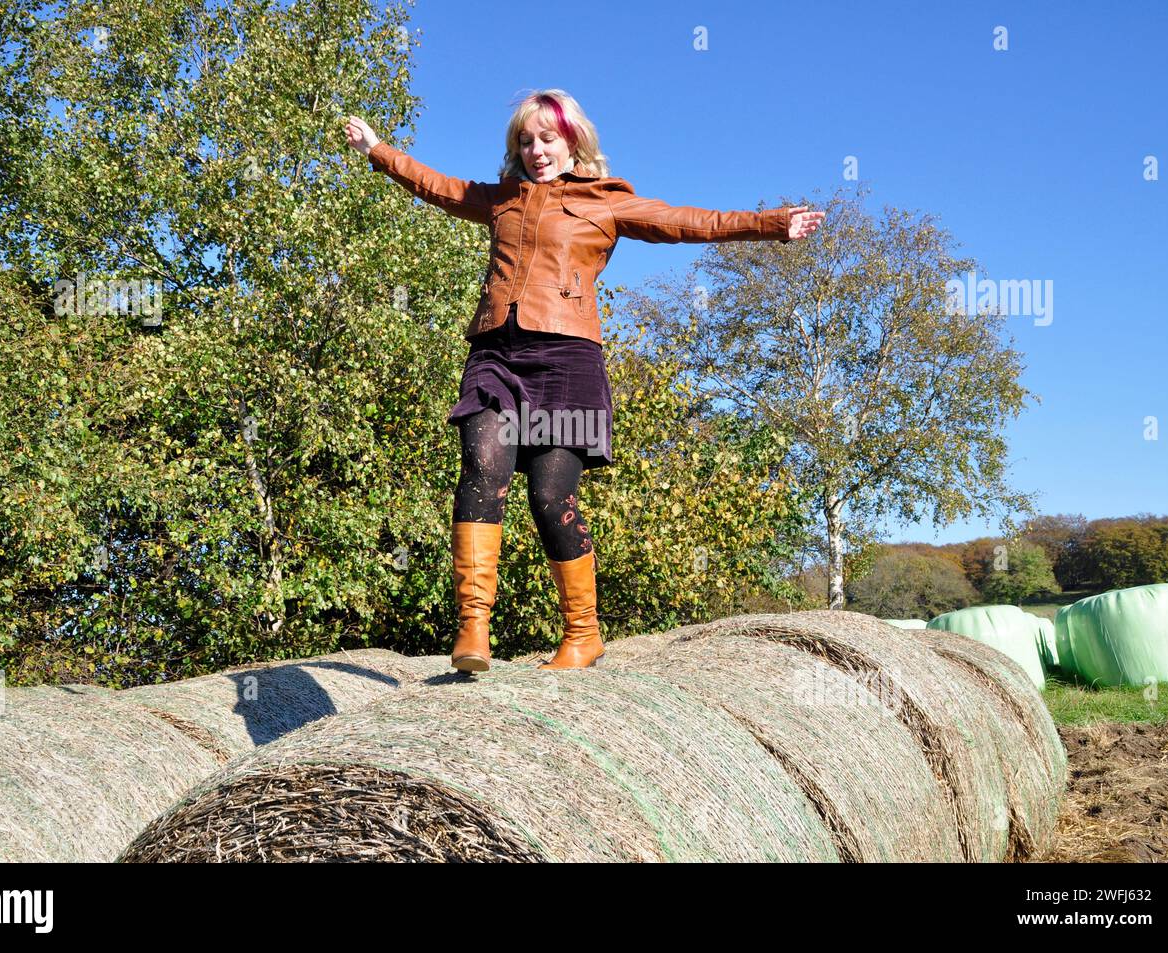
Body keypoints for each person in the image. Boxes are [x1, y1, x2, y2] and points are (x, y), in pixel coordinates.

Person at [344, 89, 823, 672]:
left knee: (550, 497)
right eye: (525, 140)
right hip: (496, 352)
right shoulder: (501, 199)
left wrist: (771, 225)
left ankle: (583, 633)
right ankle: (473, 627)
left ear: (573, 142)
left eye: (547, 138)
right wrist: (377, 150)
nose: (536, 150)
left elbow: (689, 222)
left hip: (567, 359)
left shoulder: (606, 202)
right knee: (482, 467)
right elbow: (437, 186)